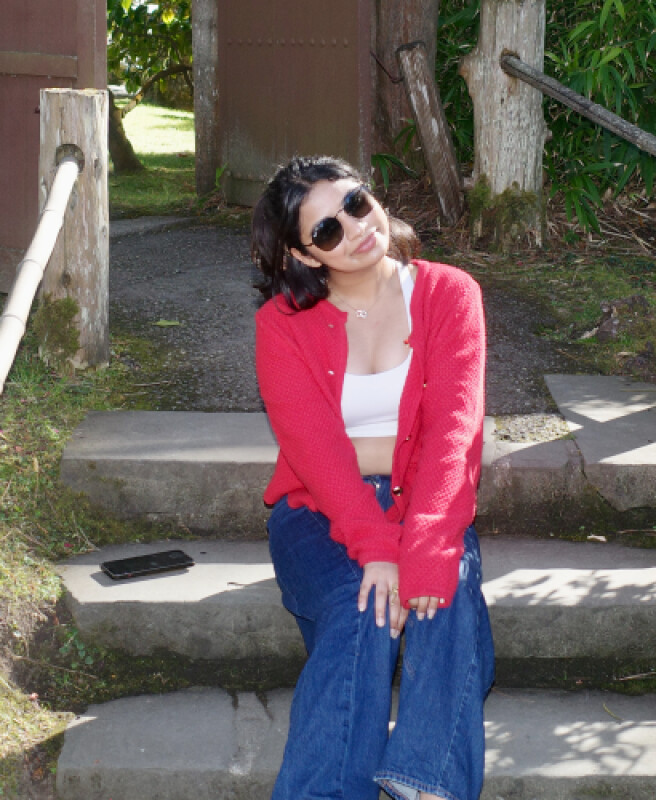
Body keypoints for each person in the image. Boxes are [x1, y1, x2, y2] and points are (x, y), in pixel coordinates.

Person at [251, 154, 495, 800]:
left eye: (356, 203)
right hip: (319, 509)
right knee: (363, 606)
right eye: (327, 230)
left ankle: (428, 785)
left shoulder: (449, 294)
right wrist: (378, 548)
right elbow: (318, 456)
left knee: (445, 582)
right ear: (302, 255)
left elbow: (454, 435)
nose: (356, 228)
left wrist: (426, 548)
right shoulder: (282, 327)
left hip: (426, 498)